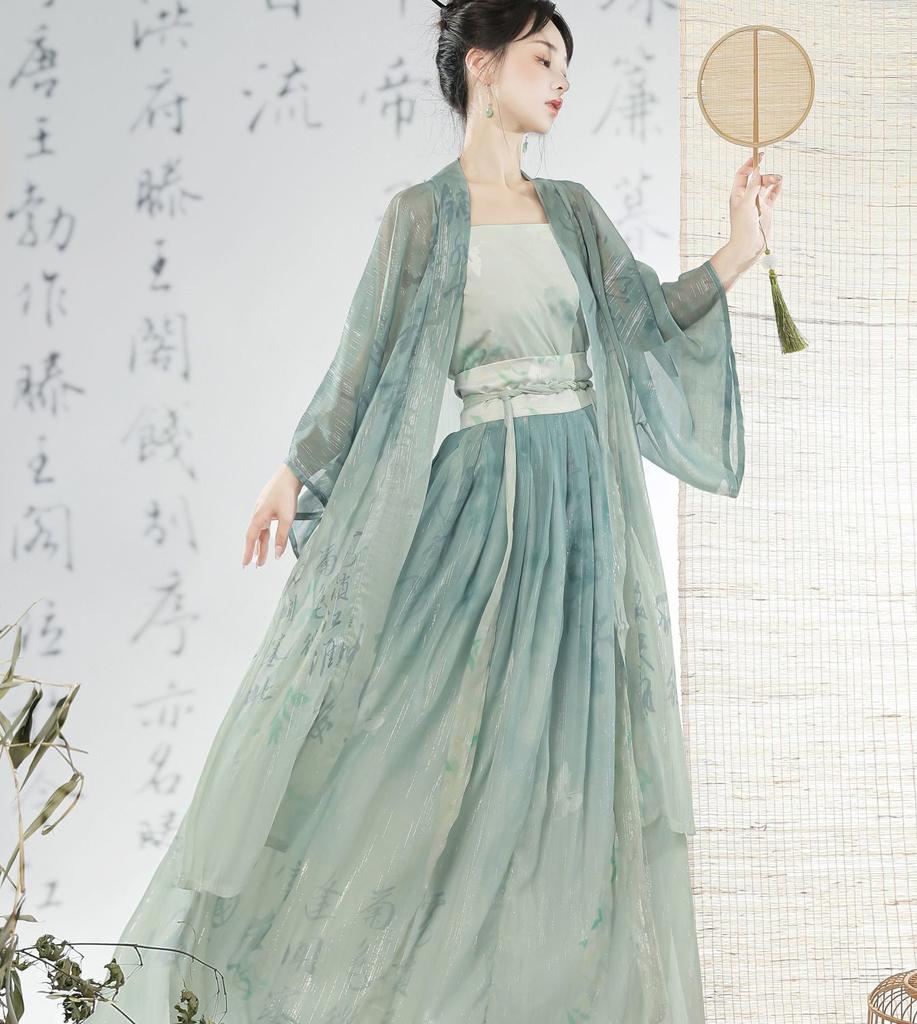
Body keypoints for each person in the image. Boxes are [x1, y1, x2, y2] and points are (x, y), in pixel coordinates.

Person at [94, 2, 780, 1022]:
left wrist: (739, 245)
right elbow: (363, 360)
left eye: (566, 63)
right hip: (477, 513)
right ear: (481, 66)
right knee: (415, 731)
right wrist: (294, 469)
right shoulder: (420, 216)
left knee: (564, 757)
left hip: (581, 516)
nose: (561, 80)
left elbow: (642, 319)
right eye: (543, 58)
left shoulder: (575, 210)